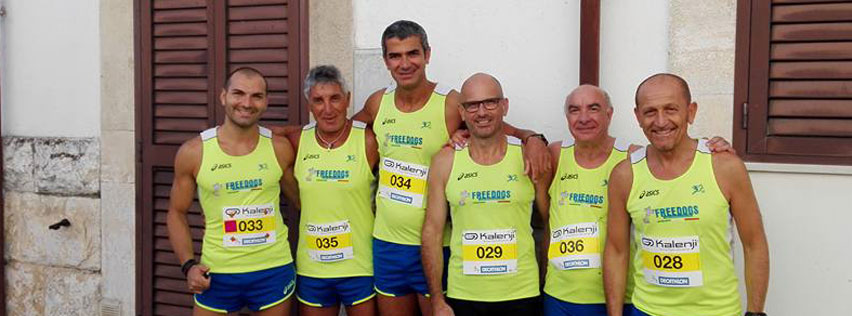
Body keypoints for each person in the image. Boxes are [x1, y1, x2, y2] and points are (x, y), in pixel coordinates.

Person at [349, 20, 551, 316]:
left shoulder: (451, 102)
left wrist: (532, 138)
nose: (405, 63)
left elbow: (493, 125)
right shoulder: (379, 103)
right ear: (385, 61)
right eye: (395, 56)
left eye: (413, 53)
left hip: (437, 244)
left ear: (427, 55)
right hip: (388, 243)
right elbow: (341, 132)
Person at [603, 73, 769, 316]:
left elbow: (755, 244)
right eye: (650, 112)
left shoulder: (725, 167)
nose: (660, 121)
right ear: (638, 117)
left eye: (671, 109)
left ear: (690, 112)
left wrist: (756, 313)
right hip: (648, 310)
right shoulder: (624, 175)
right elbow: (617, 251)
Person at [167, 67, 298, 316]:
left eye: (256, 96)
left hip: (273, 269)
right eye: (239, 93)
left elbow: (303, 201)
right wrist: (189, 266)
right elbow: (176, 212)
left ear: (266, 102)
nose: (247, 103)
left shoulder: (279, 148)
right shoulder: (194, 152)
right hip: (217, 273)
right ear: (223, 96)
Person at [422, 73, 549, 316]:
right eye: (472, 105)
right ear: (461, 111)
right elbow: (432, 232)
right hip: (464, 296)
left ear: (505, 106)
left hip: (522, 294)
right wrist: (438, 300)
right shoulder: (445, 161)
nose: (482, 112)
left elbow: (550, 225)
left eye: (490, 102)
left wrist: (545, 285)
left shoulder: (530, 157)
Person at [283, 65, 380, 316]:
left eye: (335, 98)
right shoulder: (296, 140)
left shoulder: (368, 140)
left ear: (347, 100)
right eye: (318, 100)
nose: (327, 109)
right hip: (313, 268)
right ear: (309, 105)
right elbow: (254, 135)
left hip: (359, 267)